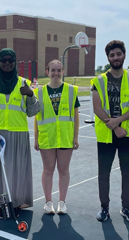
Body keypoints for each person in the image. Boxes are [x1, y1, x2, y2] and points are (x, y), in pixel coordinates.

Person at [0, 48, 39, 218]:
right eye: (4, 60)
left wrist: (31, 95)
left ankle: (16, 203)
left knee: (17, 171)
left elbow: (33, 111)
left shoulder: (24, 83)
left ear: (15, 62)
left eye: (11, 60)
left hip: (18, 134)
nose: (7, 63)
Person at [92, 40, 129, 223]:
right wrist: (115, 128)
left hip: (127, 135)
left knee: (127, 172)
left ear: (124, 55)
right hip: (106, 135)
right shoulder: (98, 81)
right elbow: (97, 108)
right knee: (104, 173)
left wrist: (119, 123)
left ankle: (126, 208)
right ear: (108, 58)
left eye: (118, 54)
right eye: (112, 55)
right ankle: (104, 208)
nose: (115, 57)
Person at [33, 60, 80, 215]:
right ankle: (48, 202)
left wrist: (76, 137)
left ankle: (62, 202)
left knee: (63, 170)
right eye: (53, 70)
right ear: (47, 72)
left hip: (65, 136)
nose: (56, 73)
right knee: (48, 170)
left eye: (59, 70)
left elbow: (75, 115)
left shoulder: (71, 90)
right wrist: (36, 138)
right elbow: (36, 117)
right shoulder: (39, 92)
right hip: (47, 136)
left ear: (63, 72)